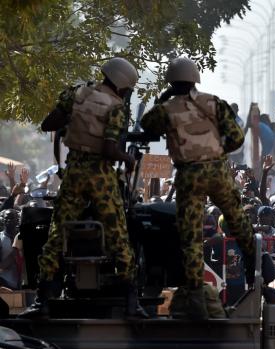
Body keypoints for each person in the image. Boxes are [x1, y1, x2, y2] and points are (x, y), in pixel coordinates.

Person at [22, 57, 147, 318]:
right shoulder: (116, 107)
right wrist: (129, 159)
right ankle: (132, 303)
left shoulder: (77, 93)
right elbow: (110, 150)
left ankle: (41, 301)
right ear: (123, 86)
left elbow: (49, 124)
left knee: (57, 234)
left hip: (75, 172)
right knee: (117, 235)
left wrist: (74, 123)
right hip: (100, 175)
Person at [140, 57, 255, 319]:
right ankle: (254, 262)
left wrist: (164, 98)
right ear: (195, 79)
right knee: (236, 218)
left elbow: (147, 125)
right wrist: (216, 151)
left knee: (190, 234)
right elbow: (237, 136)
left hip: (189, 173)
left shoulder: (167, 109)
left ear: (171, 82)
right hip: (217, 169)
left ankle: (194, 292)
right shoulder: (213, 102)